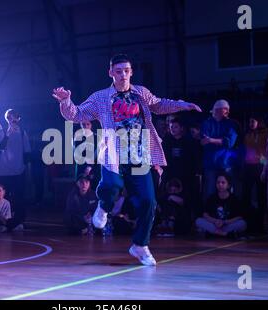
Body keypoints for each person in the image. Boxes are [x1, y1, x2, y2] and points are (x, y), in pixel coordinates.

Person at [53, 53, 202, 266]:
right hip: (114, 151)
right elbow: (76, 115)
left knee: (148, 202)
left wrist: (182, 105)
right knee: (112, 184)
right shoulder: (101, 97)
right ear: (110, 73)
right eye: (118, 71)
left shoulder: (141, 93)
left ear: (131, 72)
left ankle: (140, 245)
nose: (123, 75)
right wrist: (66, 101)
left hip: (139, 154)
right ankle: (103, 206)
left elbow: (159, 104)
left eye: (126, 71)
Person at [0, 109, 31, 231]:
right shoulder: (2, 131)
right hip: (4, 171)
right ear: (7, 119)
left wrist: (26, 168)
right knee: (4, 198)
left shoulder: (22, 131)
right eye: (10, 117)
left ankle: (18, 222)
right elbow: (0, 146)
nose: (13, 119)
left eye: (15, 117)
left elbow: (27, 151)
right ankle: (3, 222)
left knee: (19, 197)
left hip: (19, 170)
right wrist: (7, 134)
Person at [201, 100, 240, 201]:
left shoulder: (231, 124)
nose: (227, 112)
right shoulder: (207, 123)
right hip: (211, 164)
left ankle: (228, 213)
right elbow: (204, 141)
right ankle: (209, 213)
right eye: (225, 110)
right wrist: (219, 140)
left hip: (226, 164)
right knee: (210, 191)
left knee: (228, 191)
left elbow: (230, 143)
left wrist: (211, 140)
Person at [196, 173, 247, 238]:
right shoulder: (211, 198)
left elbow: (239, 217)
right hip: (214, 225)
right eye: (218, 182)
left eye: (223, 182)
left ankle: (214, 233)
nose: (220, 184)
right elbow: (205, 214)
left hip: (227, 225)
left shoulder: (234, 199)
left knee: (242, 223)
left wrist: (224, 222)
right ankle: (224, 234)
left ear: (228, 185)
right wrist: (215, 221)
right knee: (198, 221)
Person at [243, 116, 268, 234]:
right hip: (248, 167)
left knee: (261, 196)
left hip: (260, 166)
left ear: (259, 122)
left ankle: (260, 223)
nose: (251, 123)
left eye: (253, 121)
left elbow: (266, 151)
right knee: (247, 195)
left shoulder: (265, 134)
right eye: (249, 121)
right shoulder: (247, 134)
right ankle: (248, 223)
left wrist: (263, 165)